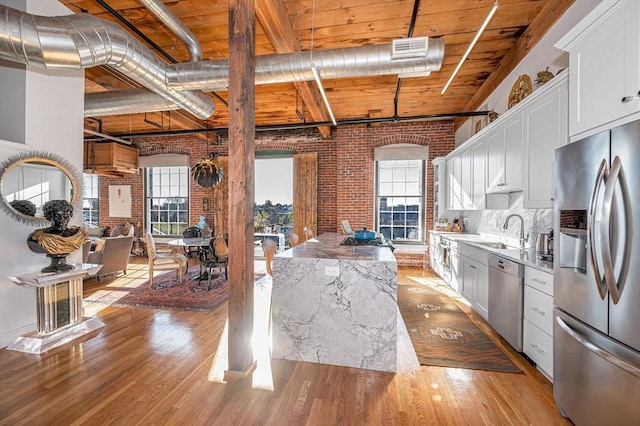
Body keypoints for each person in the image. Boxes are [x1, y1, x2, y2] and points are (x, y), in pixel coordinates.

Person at [27, 200, 88, 271]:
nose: (62, 220)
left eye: (65, 216)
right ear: (50, 216)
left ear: (70, 216)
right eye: (58, 216)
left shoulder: (78, 235)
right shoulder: (38, 237)